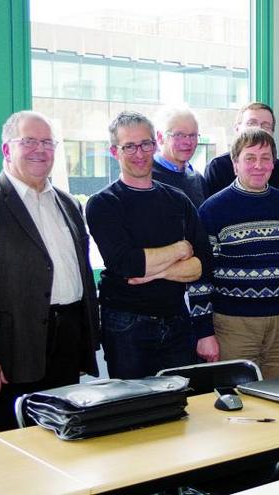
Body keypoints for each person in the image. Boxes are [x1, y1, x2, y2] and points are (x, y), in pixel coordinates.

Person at [0, 111, 99, 432]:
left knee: (61, 434)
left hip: (66, 339)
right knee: (12, 442)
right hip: (13, 349)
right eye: (29, 142)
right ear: (7, 150)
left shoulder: (68, 203)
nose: (41, 150)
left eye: (48, 142)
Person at [86, 111, 216, 379]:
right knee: (133, 409)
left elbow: (203, 263)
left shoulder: (178, 200)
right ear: (114, 151)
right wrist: (180, 250)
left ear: (154, 145)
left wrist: (154, 271)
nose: (139, 153)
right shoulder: (103, 203)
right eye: (129, 146)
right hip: (126, 324)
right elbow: (127, 264)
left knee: (181, 403)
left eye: (145, 144)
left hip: (177, 319)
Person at [190, 128, 279, 379]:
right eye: (250, 158)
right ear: (235, 164)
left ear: (274, 164)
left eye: (266, 158)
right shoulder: (213, 209)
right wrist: (203, 333)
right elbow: (200, 277)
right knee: (238, 404)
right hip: (233, 325)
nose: (258, 165)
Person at [204, 101, 279, 197]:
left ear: (272, 132)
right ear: (237, 129)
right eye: (251, 124)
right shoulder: (217, 167)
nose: (258, 129)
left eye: (266, 126)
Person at [152, 105, 210, 207]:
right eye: (179, 135)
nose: (188, 142)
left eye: (193, 135)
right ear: (160, 137)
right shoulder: (146, 179)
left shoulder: (198, 179)